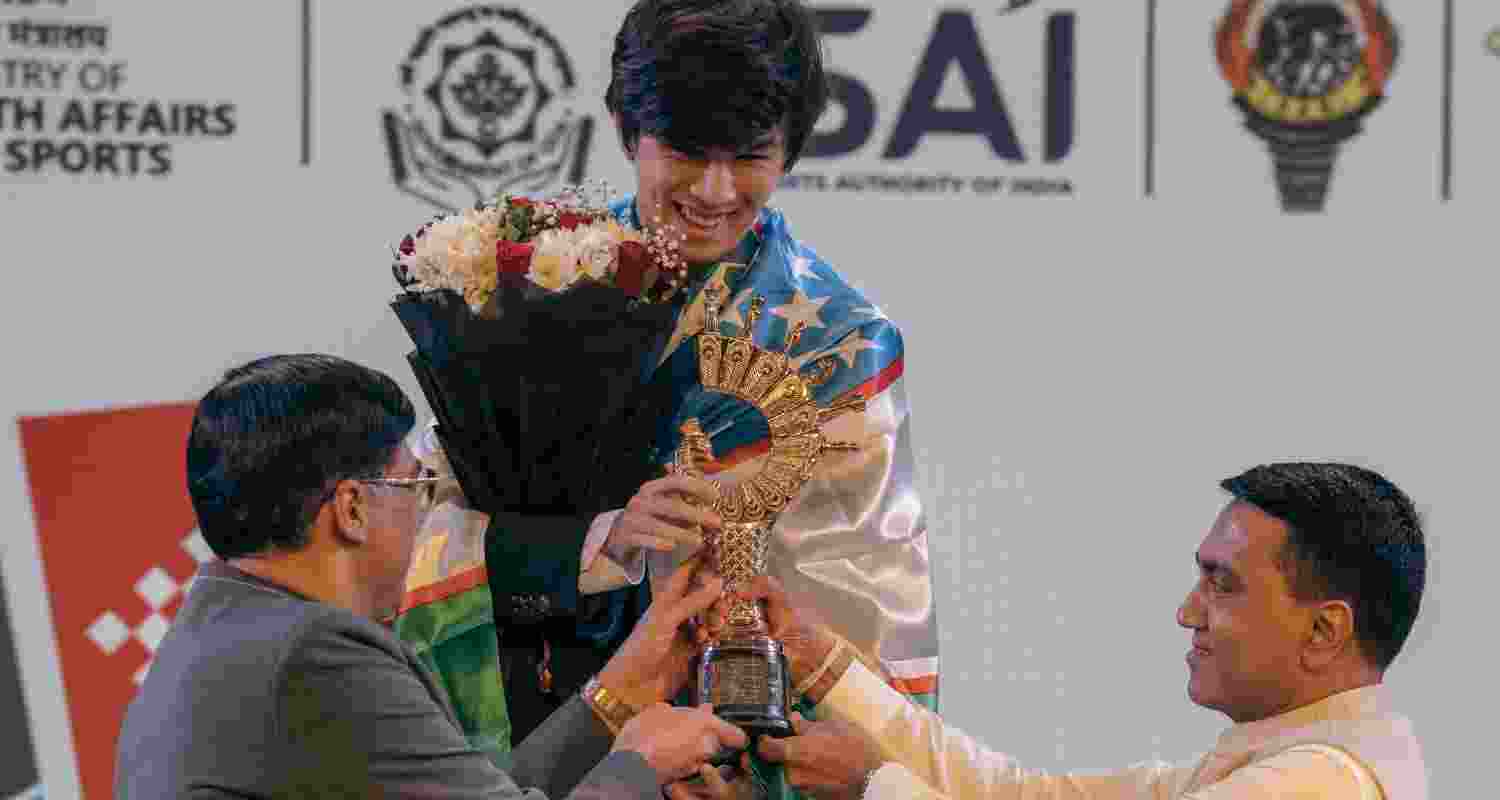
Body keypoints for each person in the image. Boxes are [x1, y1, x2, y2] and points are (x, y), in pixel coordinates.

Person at [393, 0, 941, 791]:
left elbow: (868, 615)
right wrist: (594, 546)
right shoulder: (528, 275)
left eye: (749, 155)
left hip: (738, 762)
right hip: (541, 748)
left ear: (791, 150)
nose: (715, 190)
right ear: (627, 131)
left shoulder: (838, 343)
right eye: (686, 151)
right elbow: (411, 527)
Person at [115, 354, 748, 799]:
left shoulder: (225, 629)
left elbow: (485, 791)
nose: (424, 516)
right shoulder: (313, 655)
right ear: (352, 509)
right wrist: (641, 765)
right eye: (415, 487)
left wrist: (621, 688)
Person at [735, 462, 1429, 799]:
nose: (1188, 612)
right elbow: (1018, 794)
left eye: (1224, 584)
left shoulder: (1316, 783)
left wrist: (871, 789)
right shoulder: (1291, 756)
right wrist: (820, 663)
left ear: (1324, 630)